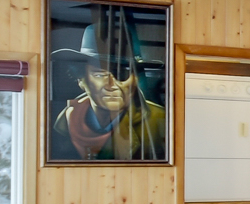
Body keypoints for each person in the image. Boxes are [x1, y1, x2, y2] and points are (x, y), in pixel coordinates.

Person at [50, 13, 167, 161]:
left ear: (135, 80)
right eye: (100, 75)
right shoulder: (64, 122)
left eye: (122, 75)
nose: (112, 85)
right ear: (81, 79)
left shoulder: (160, 121)